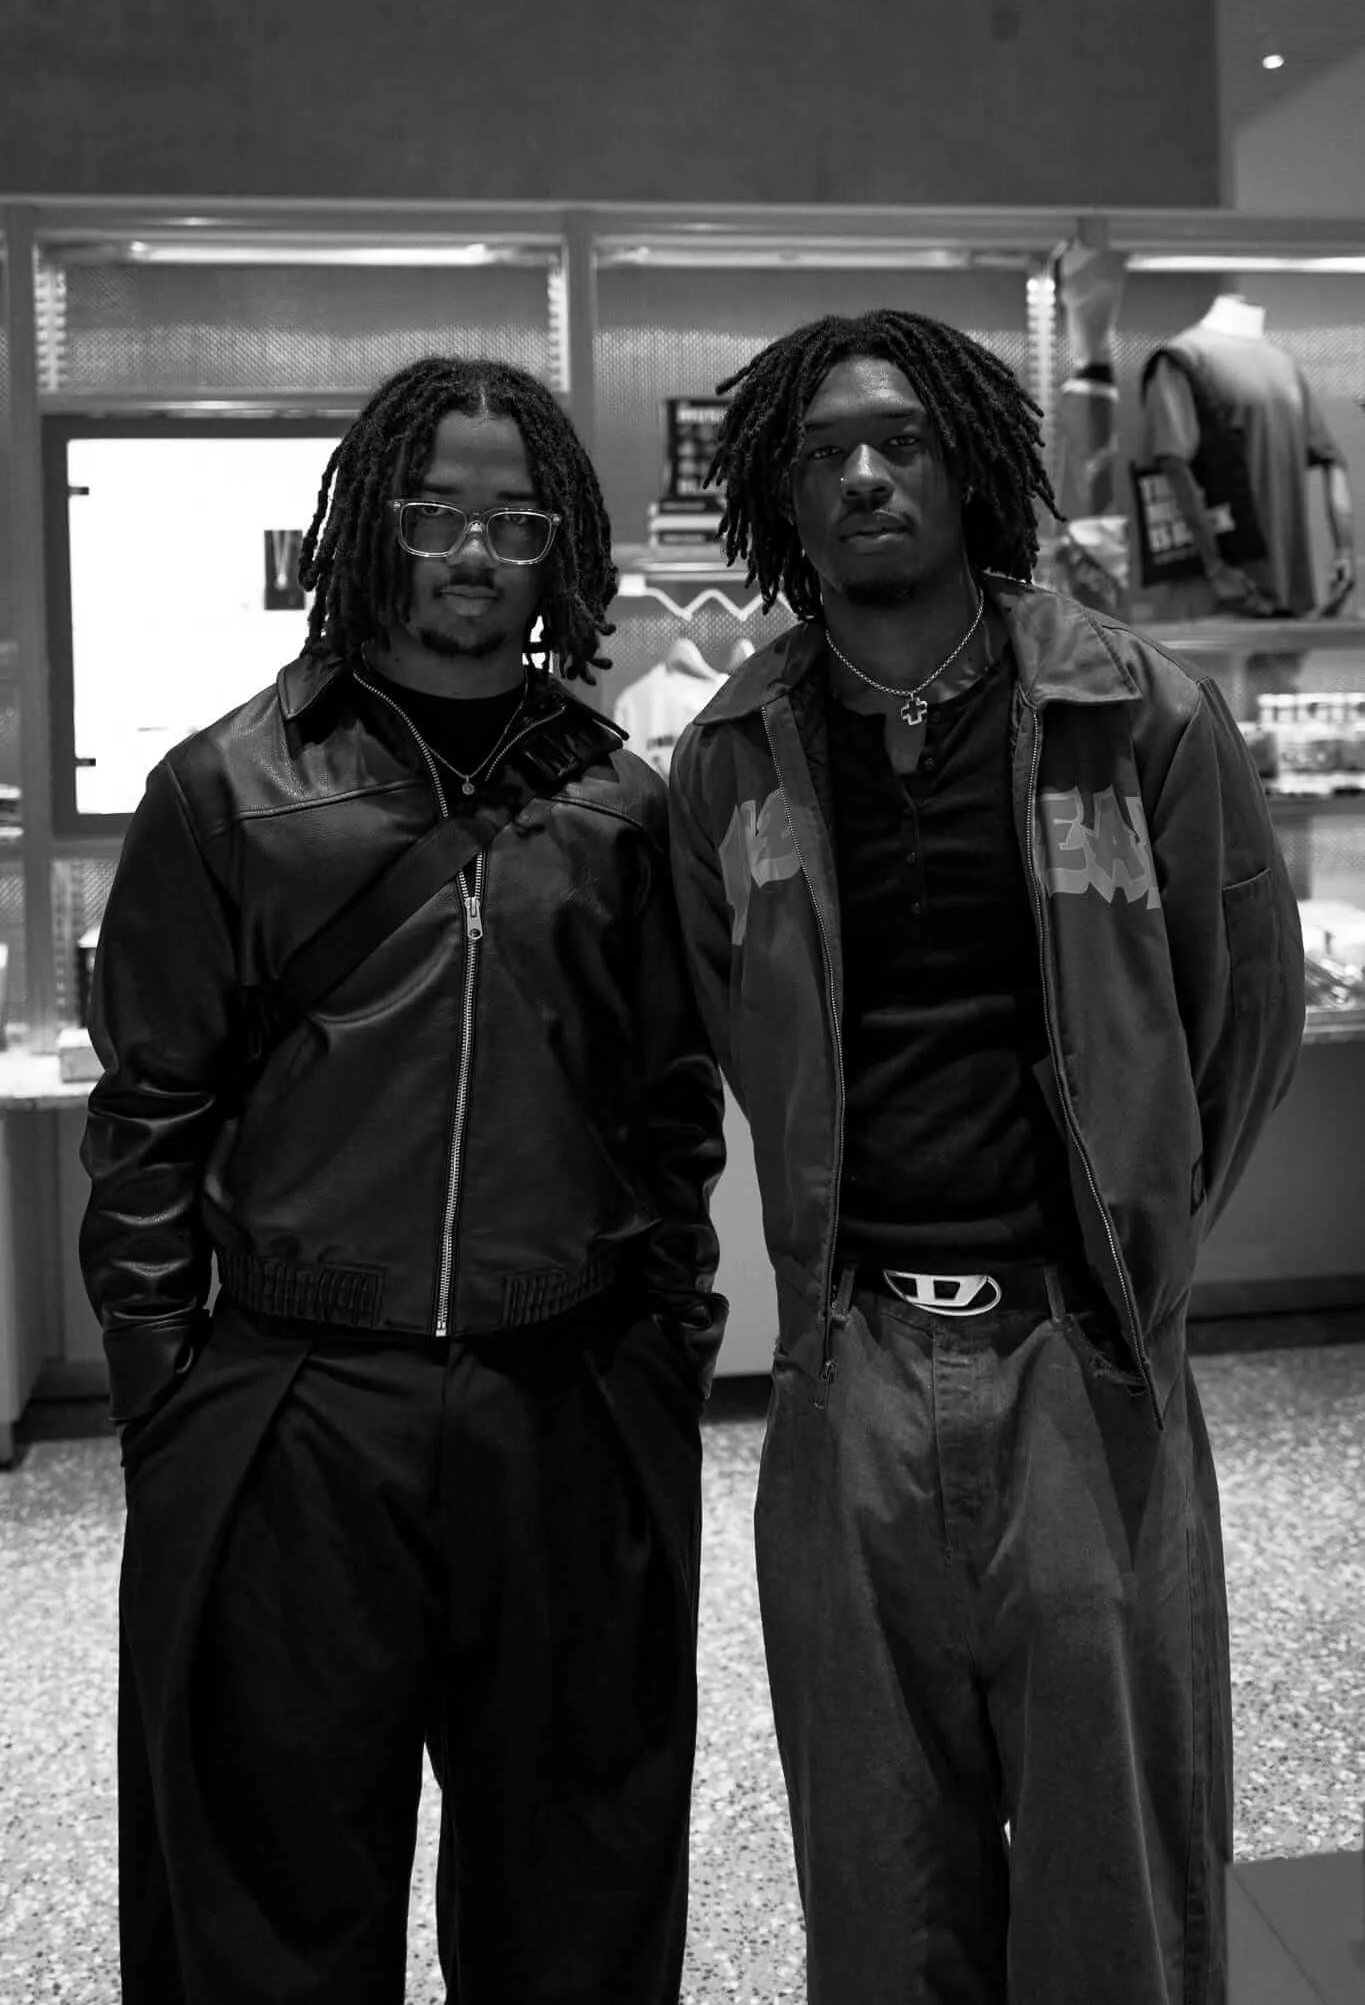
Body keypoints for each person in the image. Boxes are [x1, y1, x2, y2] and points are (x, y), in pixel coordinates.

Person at [667, 309, 1304, 2005]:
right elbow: (732, 1021)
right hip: (849, 1363)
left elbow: (1242, 1014)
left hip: (1076, 1357)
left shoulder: (1134, 714)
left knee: (1119, 1871)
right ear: (778, 499)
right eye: (823, 454)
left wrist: (1132, 1248)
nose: (866, 474)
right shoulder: (732, 755)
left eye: (902, 441)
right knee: (879, 1882)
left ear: (970, 463)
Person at [80, 354, 727, 2005]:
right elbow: (150, 1111)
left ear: (559, 549)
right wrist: (170, 1392)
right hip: (298, 1394)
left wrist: (659, 1358)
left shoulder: (613, 802)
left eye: (514, 524)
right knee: (271, 1892)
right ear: (369, 521)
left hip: (563, 1393)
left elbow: (667, 1109)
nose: (473, 552)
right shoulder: (228, 789)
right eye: (437, 511)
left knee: (573, 1880)